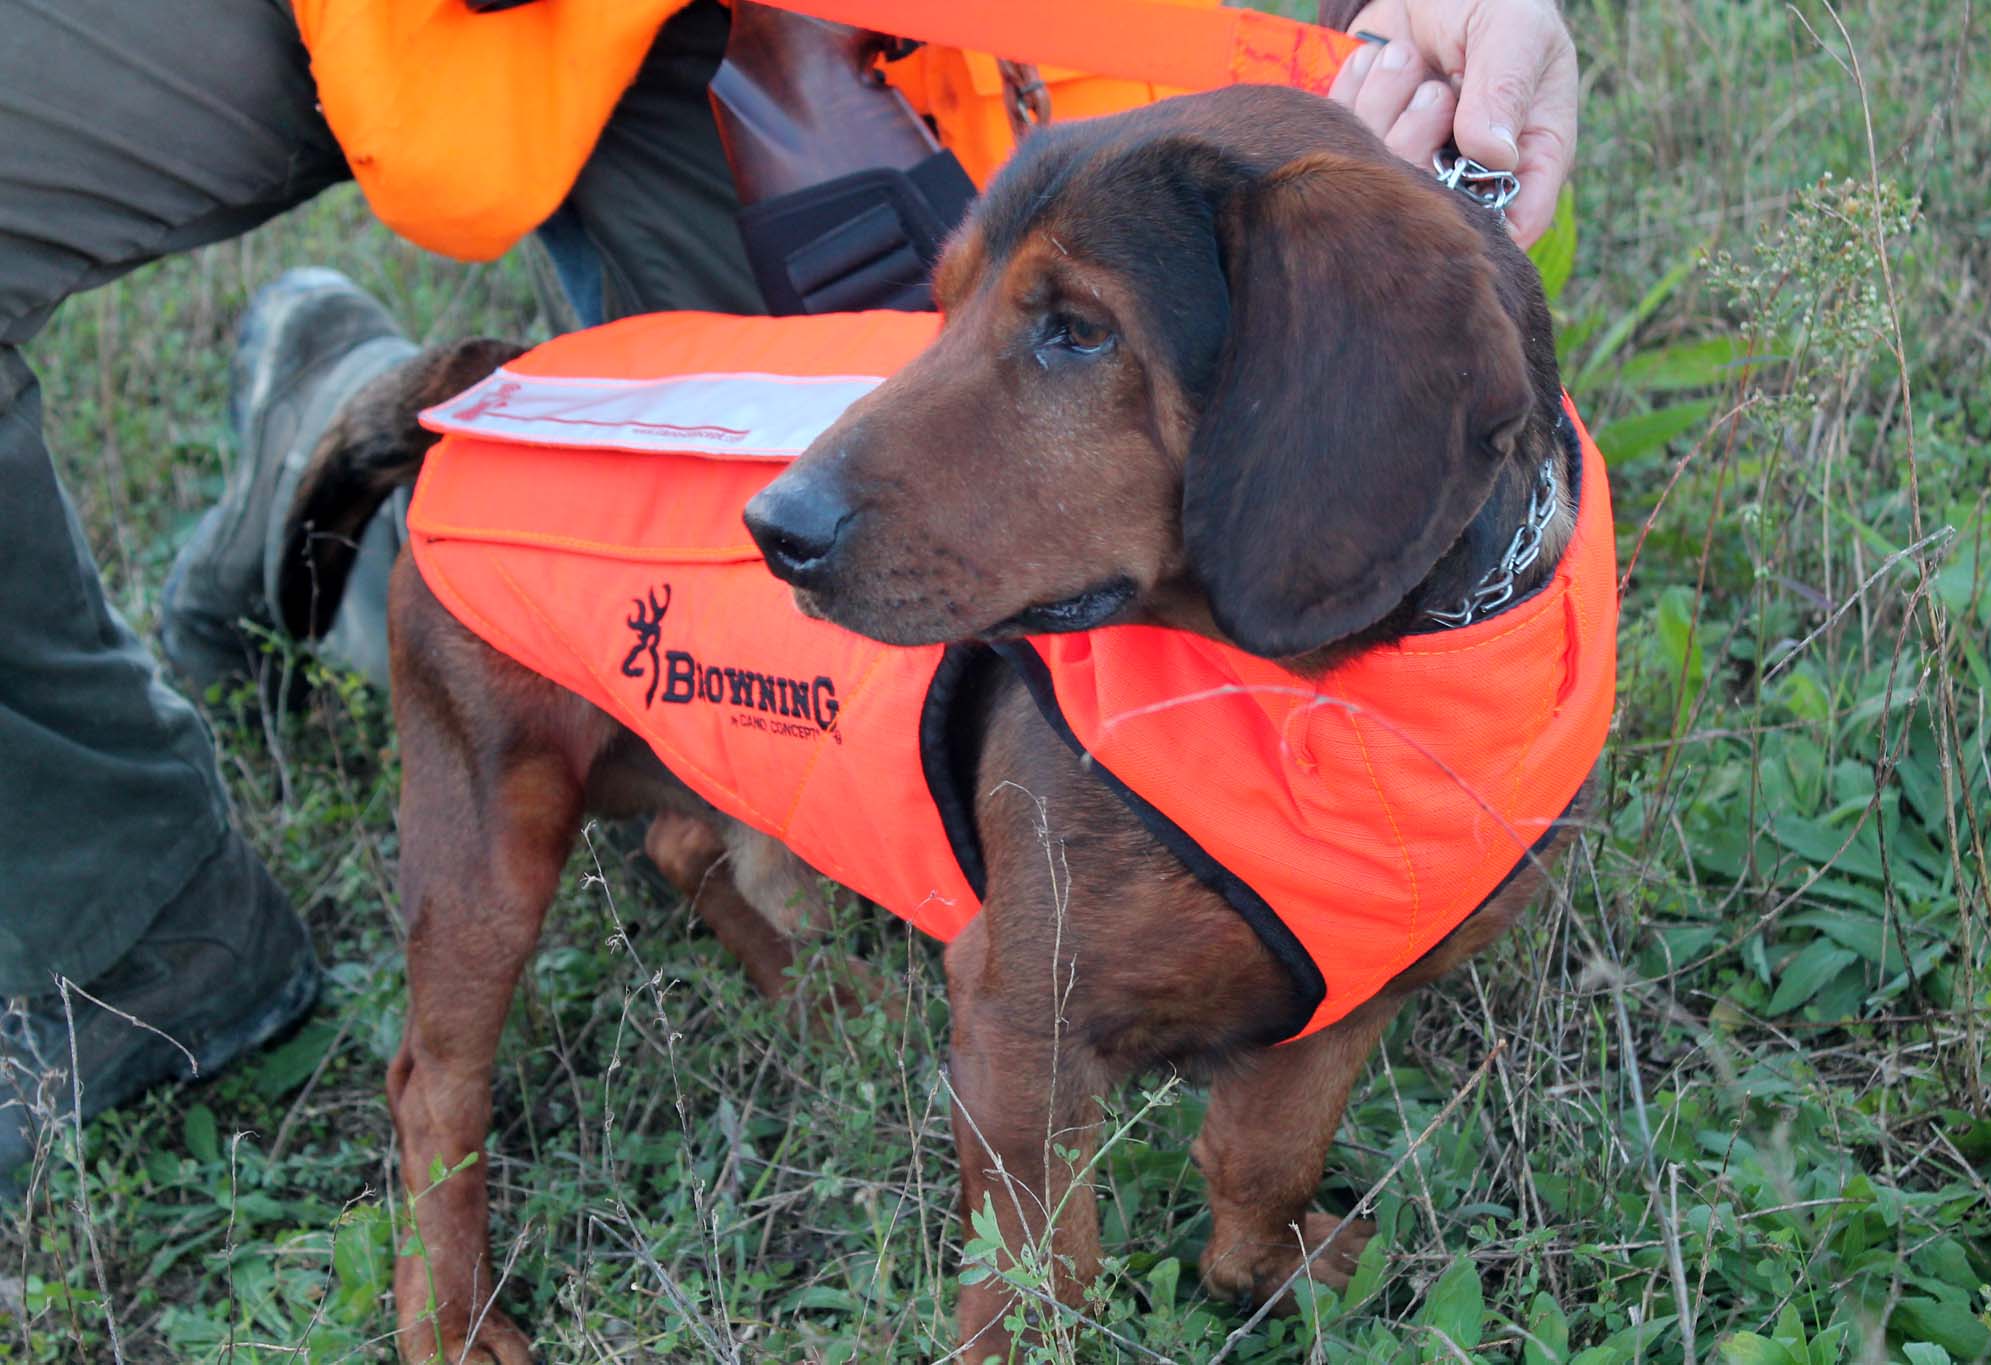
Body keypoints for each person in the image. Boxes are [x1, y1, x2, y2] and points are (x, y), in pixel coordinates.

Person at [0, 0, 1578, 1190]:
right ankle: (159, 885)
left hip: (866, 49)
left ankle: (374, 456)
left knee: (849, 528)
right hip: (421, 36)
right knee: (705, 550)